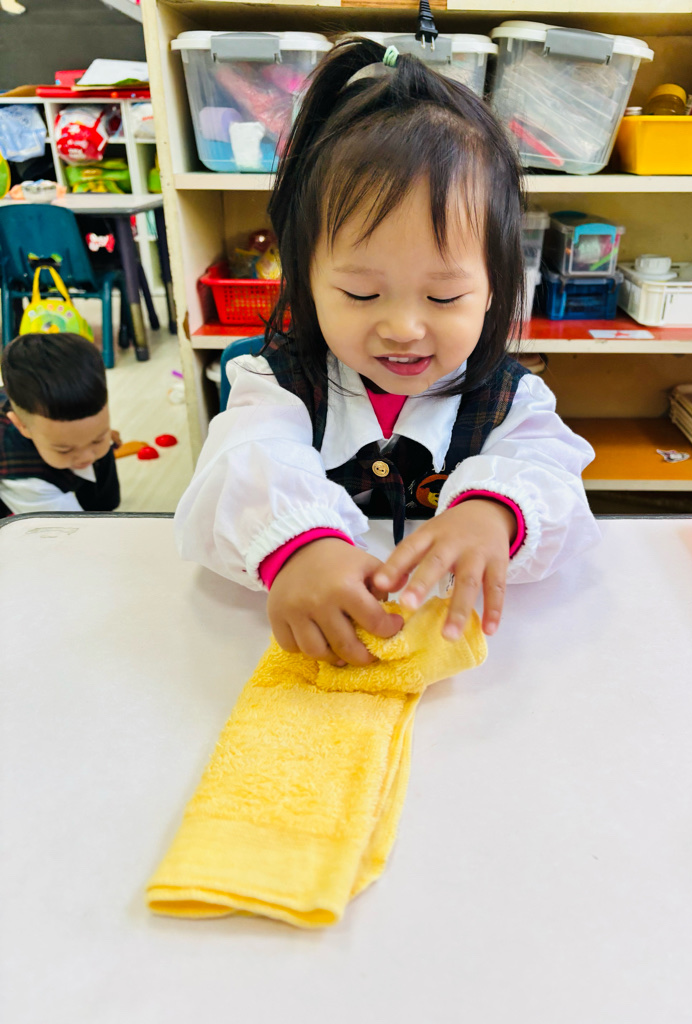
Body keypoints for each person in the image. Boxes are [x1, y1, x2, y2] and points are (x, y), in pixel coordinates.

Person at [175, 38, 600, 667]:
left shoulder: (511, 399)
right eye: (361, 293)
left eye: (444, 296)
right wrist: (297, 544)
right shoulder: (276, 384)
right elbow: (244, 459)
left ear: (494, 289)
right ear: (306, 280)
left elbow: (552, 477)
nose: (403, 328)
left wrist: (495, 513)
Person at [0, 332, 120, 517]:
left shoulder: (75, 421)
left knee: (103, 496)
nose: (86, 457)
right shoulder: (25, 478)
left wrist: (103, 437)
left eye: (97, 439)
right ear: (21, 425)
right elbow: (71, 529)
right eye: (64, 449)